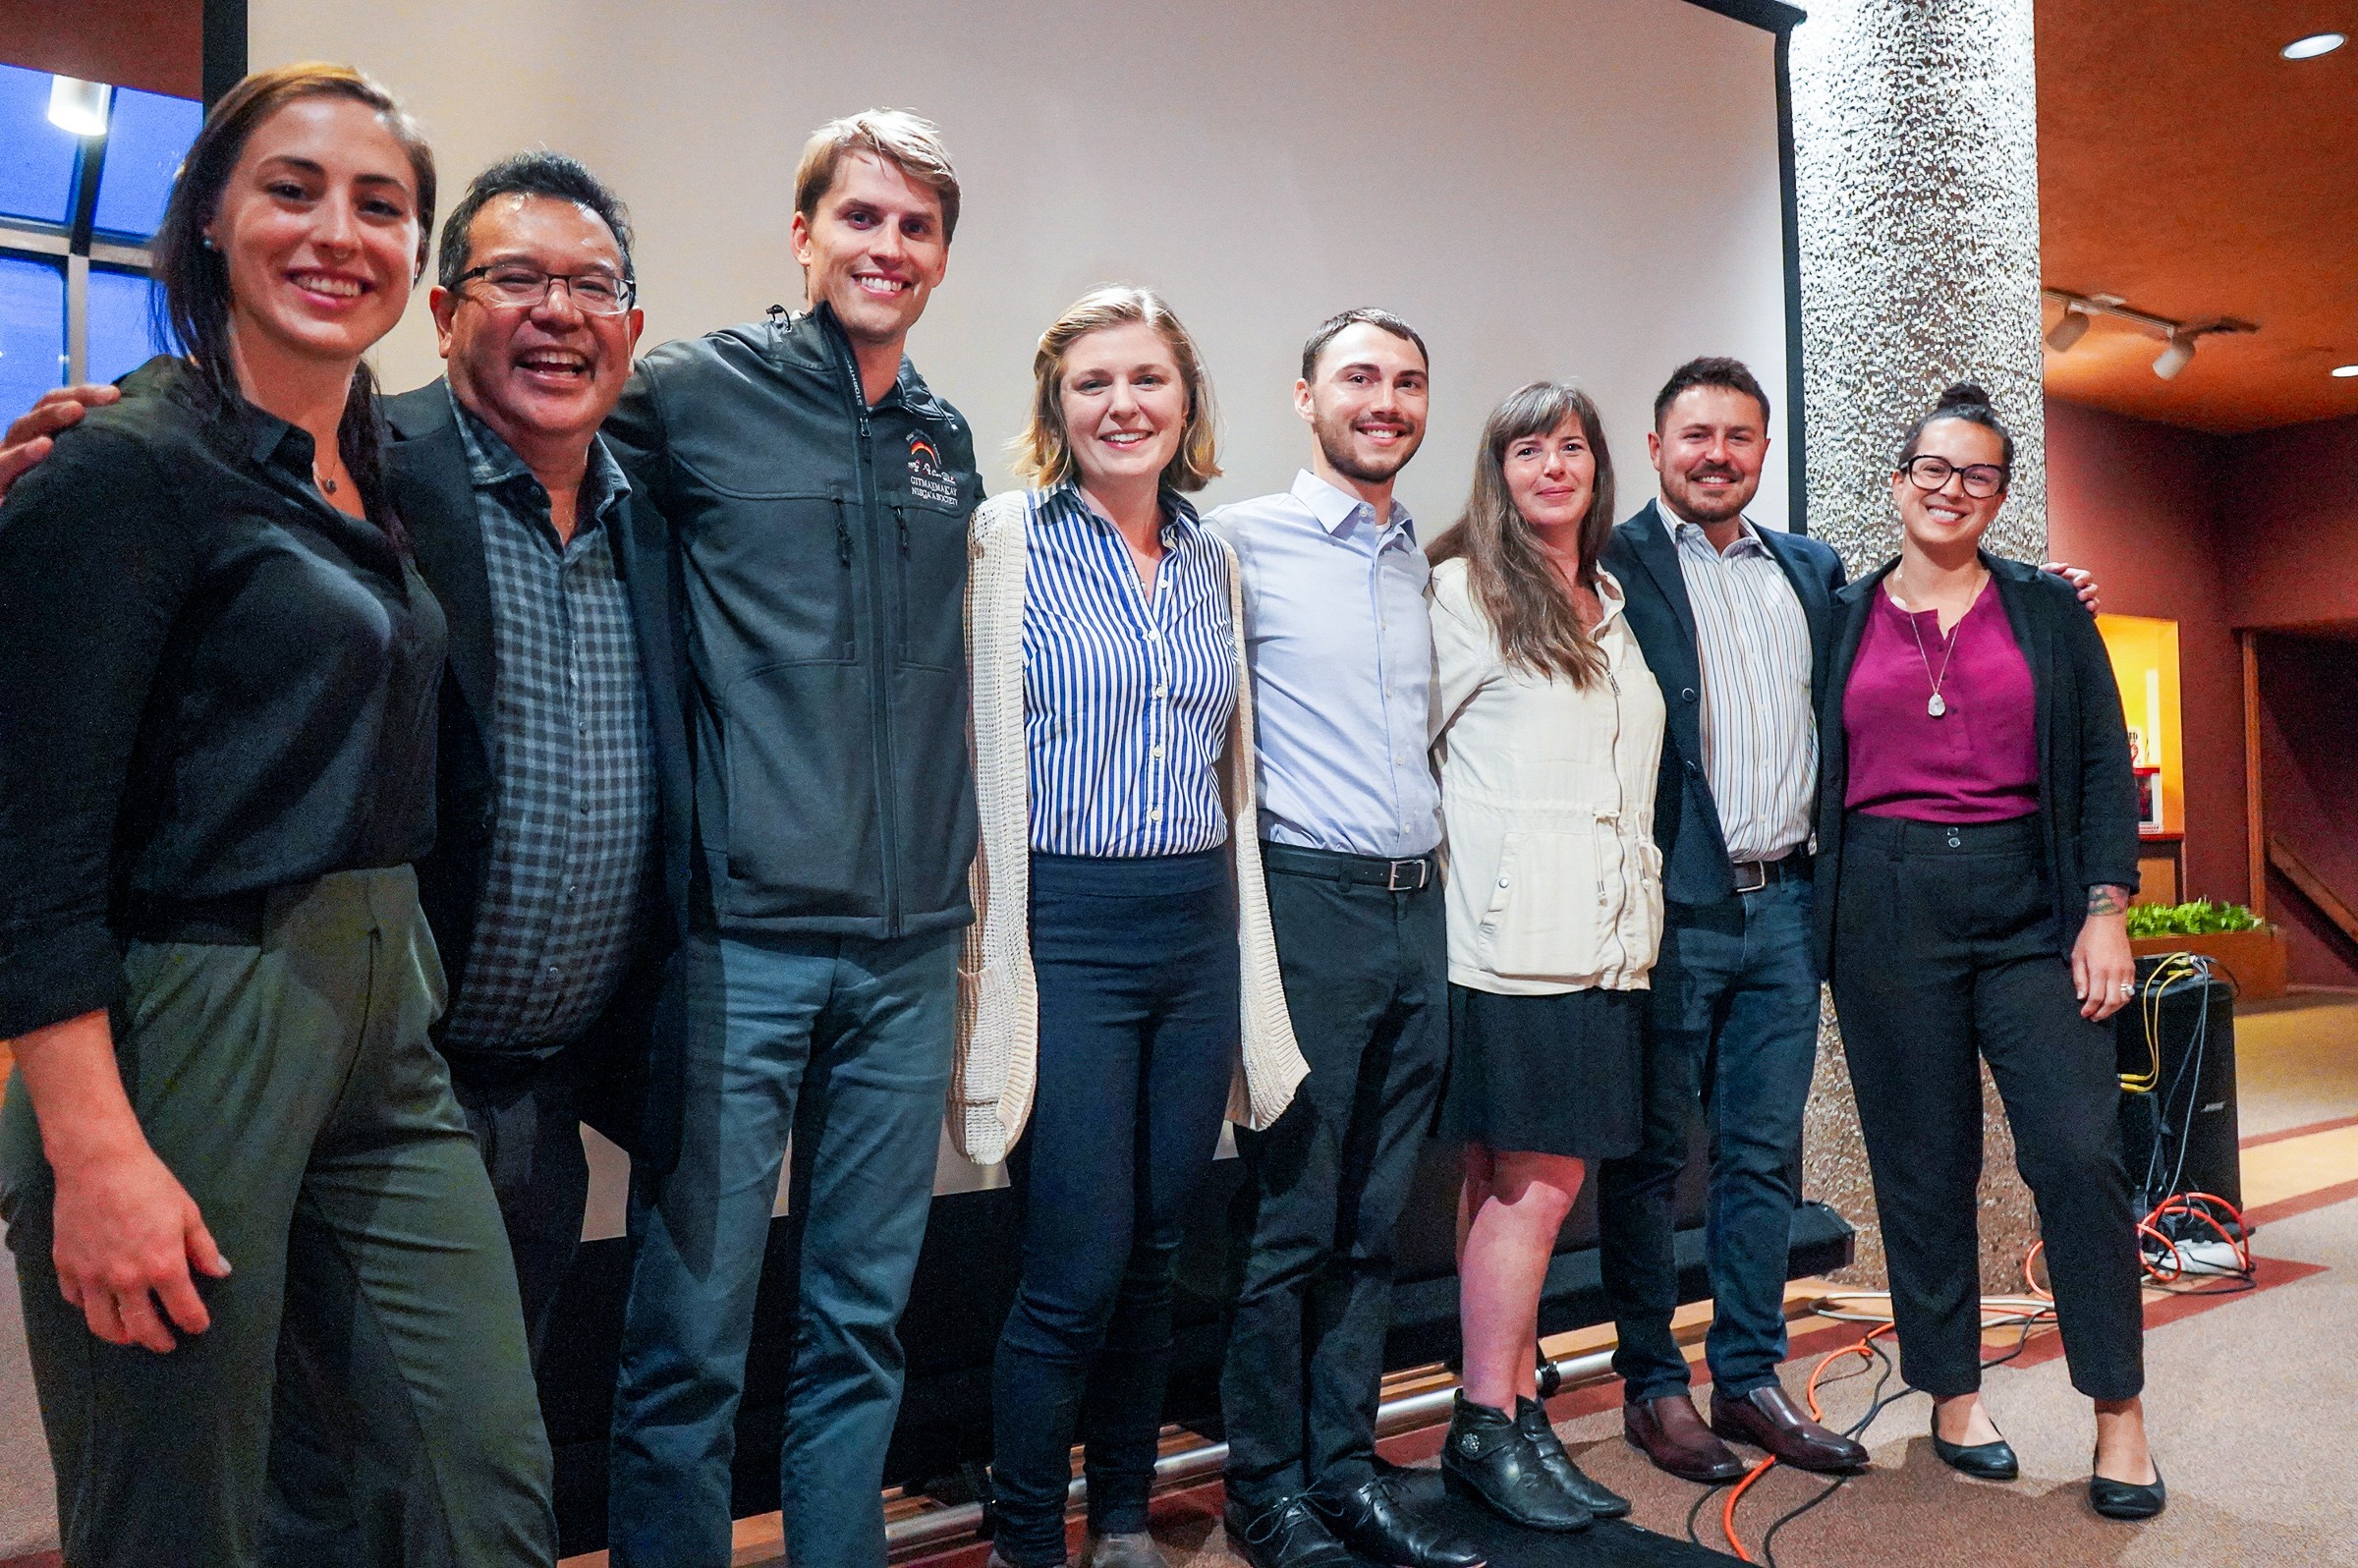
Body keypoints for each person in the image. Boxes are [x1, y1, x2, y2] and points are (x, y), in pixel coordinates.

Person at [0, 63, 556, 1568]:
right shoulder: (120, 468)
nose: (338, 231)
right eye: (292, 189)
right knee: (180, 1514)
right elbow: (28, 842)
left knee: (484, 1485)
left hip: (386, 1011)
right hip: (191, 1010)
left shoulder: (367, 460)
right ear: (210, 220)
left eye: (381, 204)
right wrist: (95, 1151)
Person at [597, 110, 985, 1568]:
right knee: (689, 1332)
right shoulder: (691, 389)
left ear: (942, 254)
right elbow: (493, 445)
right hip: (738, 948)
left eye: (916, 226)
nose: (887, 247)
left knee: (860, 1326)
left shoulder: (945, 440)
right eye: (862, 218)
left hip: (903, 955)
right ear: (804, 233)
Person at [955, 286, 1305, 1568]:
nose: (1122, 404)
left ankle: (1116, 1519)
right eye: (1093, 382)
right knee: (1075, 1270)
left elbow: (1236, 767)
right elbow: (969, 750)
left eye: (1146, 379)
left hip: (1195, 929)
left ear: (1185, 402)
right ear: (1058, 404)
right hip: (1071, 937)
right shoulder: (1006, 543)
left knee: (1160, 1254)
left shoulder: (1215, 556)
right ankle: (1021, 1541)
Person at [1812, 381, 2159, 1520]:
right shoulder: (1841, 613)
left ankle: (2119, 1413)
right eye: (1933, 470)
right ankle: (1952, 1396)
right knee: (1922, 1167)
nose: (1951, 490)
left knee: (2076, 1154)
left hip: (2029, 906)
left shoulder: (2049, 611)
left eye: (1978, 476)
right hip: (1885, 905)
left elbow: (2104, 762)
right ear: (1897, 480)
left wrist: (2106, 903)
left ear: (2002, 496)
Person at [1208, 311, 1484, 1568]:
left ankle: (1341, 1470)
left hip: (1413, 905)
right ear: (1305, 393)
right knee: (1291, 1221)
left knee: (1378, 1223)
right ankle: (1264, 1494)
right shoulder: (1235, 544)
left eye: (1408, 382)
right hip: (1306, 901)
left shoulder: (1417, 566)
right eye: (1360, 378)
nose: (1386, 400)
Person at [1591, 359, 1866, 1481]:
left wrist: (2038, 597)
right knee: (1653, 1161)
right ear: (1656, 448)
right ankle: (1654, 1388)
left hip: (1788, 907)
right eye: (1696, 435)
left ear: (1762, 450)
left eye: (1739, 437)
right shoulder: (1606, 563)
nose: (1718, 454)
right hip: (1670, 909)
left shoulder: (1810, 570)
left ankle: (1748, 1377)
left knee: (1762, 1158)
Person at [1426, 383, 1659, 1532]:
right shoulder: (1465, 591)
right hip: (1518, 942)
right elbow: (1398, 753)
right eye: (1531, 449)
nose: (1554, 466)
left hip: (1606, 943)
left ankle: (1515, 1413)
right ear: (1499, 470)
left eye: (1572, 446)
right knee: (1539, 1190)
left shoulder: (1608, 599)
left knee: (1509, 1189)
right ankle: (1483, 1423)